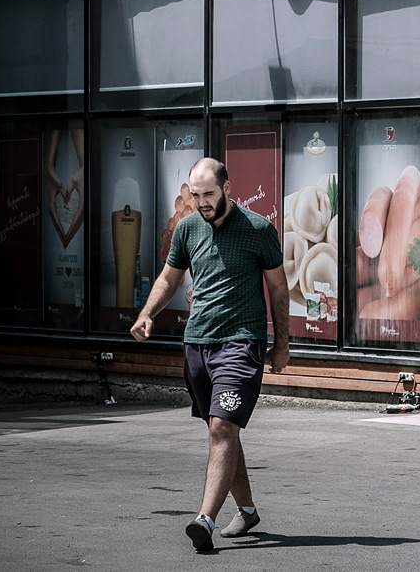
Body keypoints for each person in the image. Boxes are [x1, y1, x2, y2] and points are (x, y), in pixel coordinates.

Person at [131, 157, 288, 553]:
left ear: (228, 188)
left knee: (221, 428)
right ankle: (248, 509)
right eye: (196, 194)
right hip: (197, 342)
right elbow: (171, 276)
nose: (202, 202)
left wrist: (282, 343)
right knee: (224, 430)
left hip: (241, 342)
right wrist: (148, 313)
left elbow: (279, 289)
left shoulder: (257, 229)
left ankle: (204, 519)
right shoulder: (186, 228)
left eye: (209, 194)